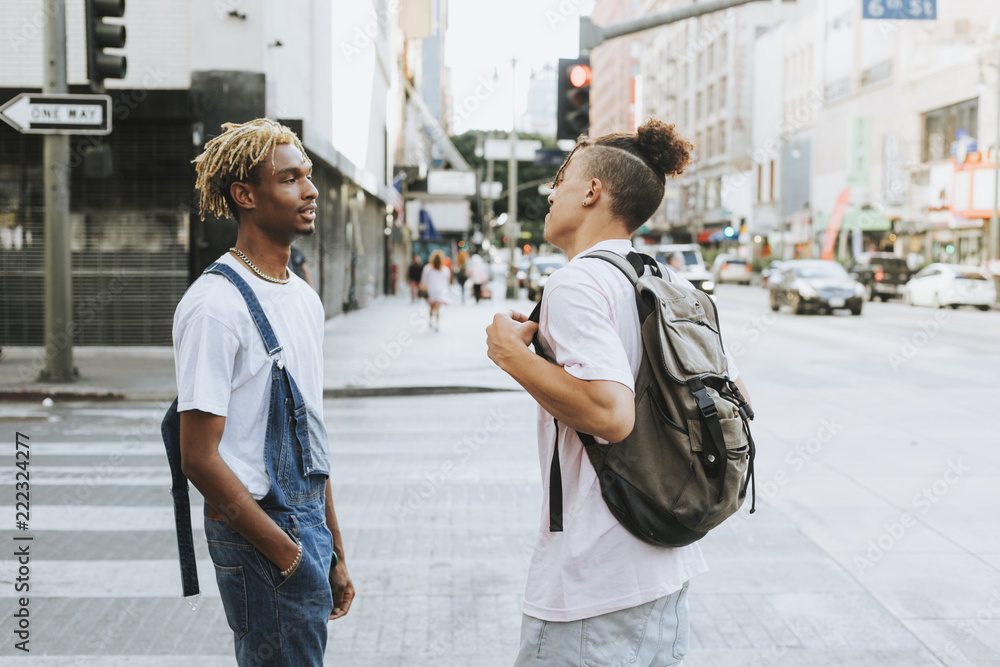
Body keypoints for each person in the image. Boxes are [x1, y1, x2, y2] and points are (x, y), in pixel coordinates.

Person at [486, 118, 751, 666]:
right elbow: (734, 395)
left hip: (594, 583)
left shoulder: (576, 282)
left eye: (561, 177)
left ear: (592, 191)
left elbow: (611, 414)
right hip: (664, 568)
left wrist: (510, 356)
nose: (551, 191)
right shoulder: (668, 281)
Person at [174, 119, 354, 666]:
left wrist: (333, 552)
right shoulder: (215, 306)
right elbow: (199, 459)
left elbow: (310, 440)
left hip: (305, 531)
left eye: (308, 176)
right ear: (245, 196)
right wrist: (287, 554)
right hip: (260, 534)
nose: (310, 189)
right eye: (290, 178)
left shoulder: (303, 299)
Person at [419, 249, 451, 331]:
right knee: (438, 308)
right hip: (440, 291)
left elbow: (423, 281)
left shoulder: (427, 268)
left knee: (431, 307)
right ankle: (437, 324)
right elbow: (446, 282)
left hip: (430, 291)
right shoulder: (445, 269)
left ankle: (430, 321)